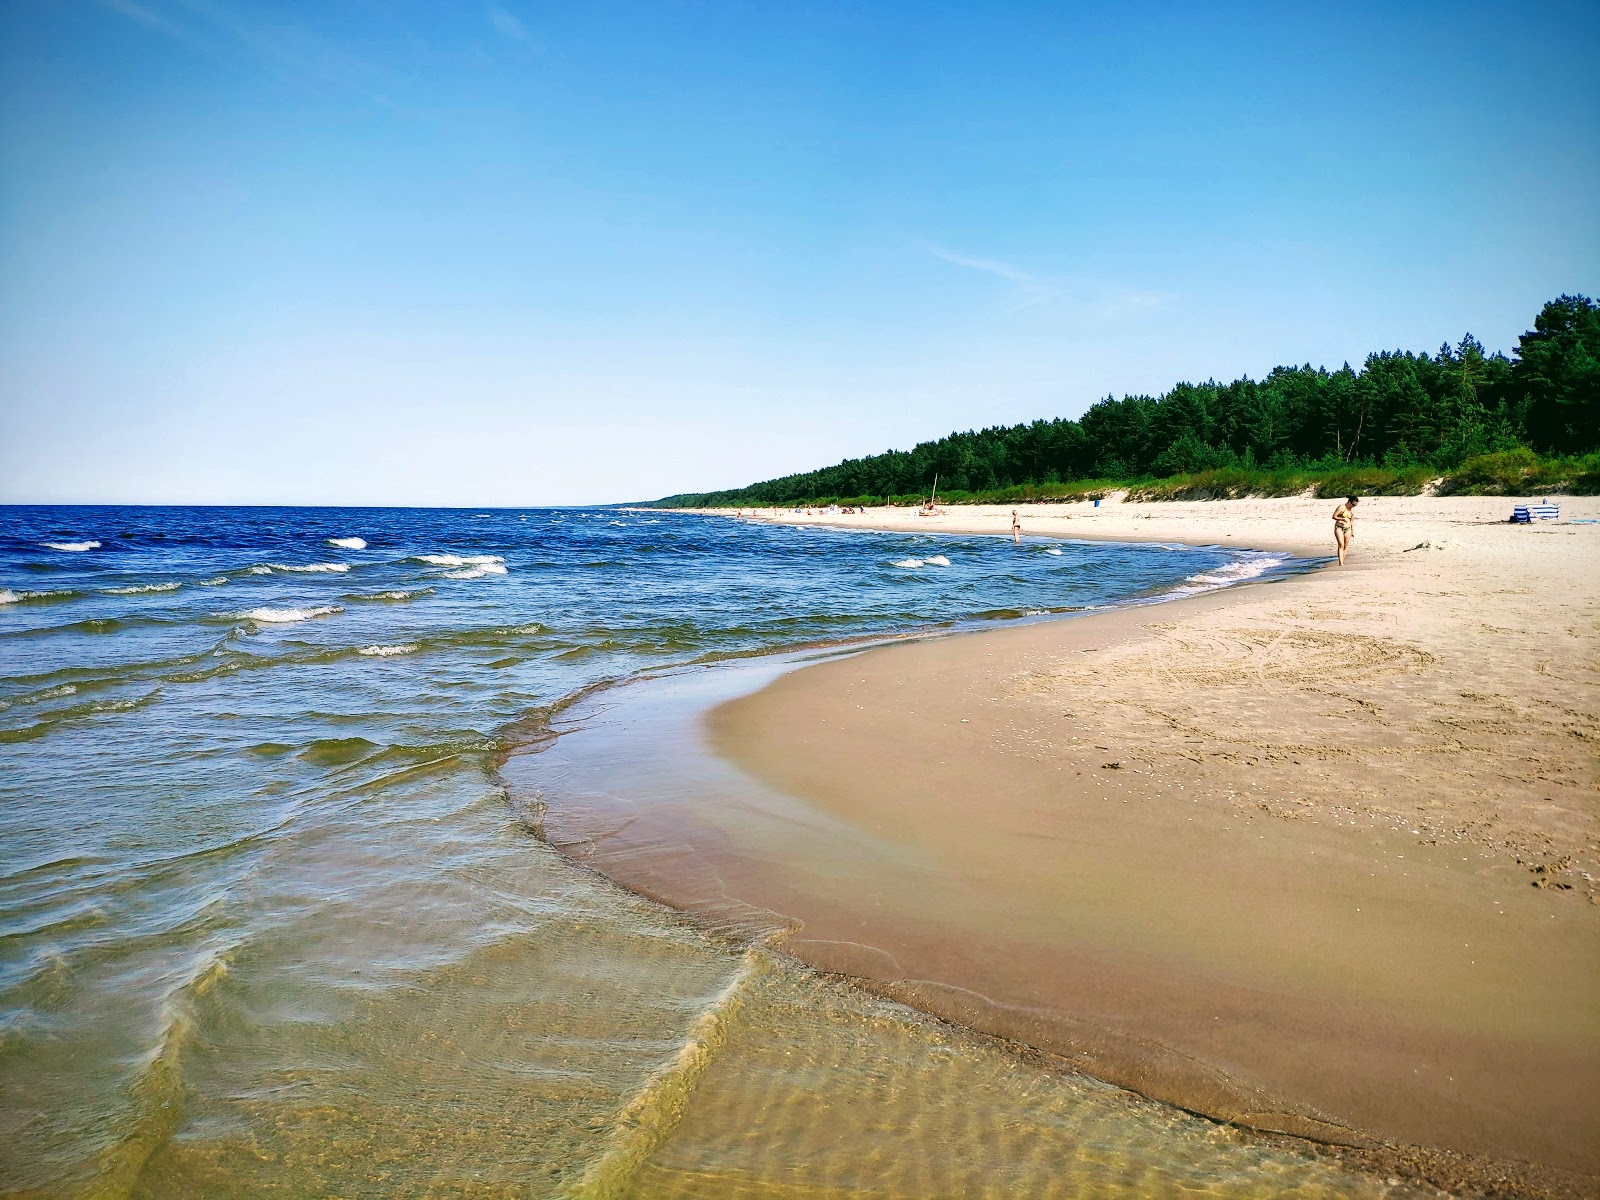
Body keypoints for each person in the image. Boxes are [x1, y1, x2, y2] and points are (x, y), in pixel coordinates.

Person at [1332, 495, 1359, 565]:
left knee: (1345, 546)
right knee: (1341, 544)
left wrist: (1352, 530)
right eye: (1353, 504)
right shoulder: (1341, 507)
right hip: (1339, 527)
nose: (1353, 506)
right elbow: (1334, 516)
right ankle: (1340, 562)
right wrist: (1341, 519)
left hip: (1348, 529)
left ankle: (1342, 561)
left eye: (1355, 505)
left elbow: (1352, 521)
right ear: (1349, 502)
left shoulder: (1352, 510)